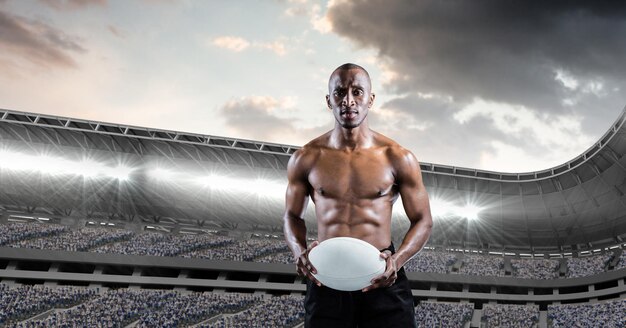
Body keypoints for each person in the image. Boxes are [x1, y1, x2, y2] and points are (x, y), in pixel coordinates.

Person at [283, 63, 433, 327]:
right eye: (340, 93)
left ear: (370, 99)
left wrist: (396, 261)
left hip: (382, 276)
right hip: (325, 277)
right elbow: (292, 216)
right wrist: (298, 251)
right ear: (329, 100)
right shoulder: (305, 158)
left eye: (357, 92)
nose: (348, 101)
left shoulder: (398, 157)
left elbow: (423, 219)